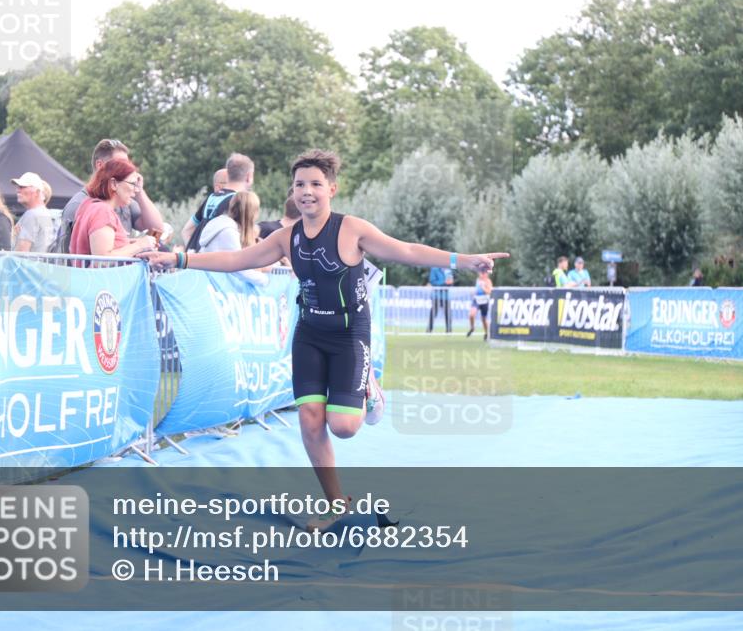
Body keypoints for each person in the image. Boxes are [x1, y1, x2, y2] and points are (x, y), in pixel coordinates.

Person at [139, 149, 507, 531]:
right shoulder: (286, 237)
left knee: (344, 427)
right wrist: (179, 260)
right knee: (311, 422)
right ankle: (337, 503)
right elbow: (238, 260)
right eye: (300, 184)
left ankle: (368, 388)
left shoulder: (352, 229)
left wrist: (463, 261)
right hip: (310, 336)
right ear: (293, 191)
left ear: (332, 188)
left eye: (315, 184)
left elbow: (408, 251)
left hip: (351, 335)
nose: (307, 191)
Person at [58, 139, 164, 252]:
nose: (127, 168)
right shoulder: (80, 205)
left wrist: (138, 190)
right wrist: (137, 246)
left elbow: (157, 229)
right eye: (121, 164)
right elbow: (73, 254)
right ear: (100, 165)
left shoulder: (122, 202)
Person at [69, 158, 156, 258]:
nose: (136, 190)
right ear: (114, 184)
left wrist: (129, 243)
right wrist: (140, 245)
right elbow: (103, 259)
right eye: (133, 184)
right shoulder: (103, 211)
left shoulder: (89, 204)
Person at [181, 153, 254, 249]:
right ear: (248, 177)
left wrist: (195, 254)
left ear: (228, 174)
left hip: (197, 260)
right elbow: (246, 243)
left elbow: (187, 230)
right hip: (220, 262)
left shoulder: (211, 197)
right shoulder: (241, 201)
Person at [196, 191, 268, 286]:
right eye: (257, 210)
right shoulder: (228, 232)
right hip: (210, 287)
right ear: (251, 213)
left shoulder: (225, 227)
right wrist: (265, 280)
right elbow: (238, 268)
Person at [12, 172, 57, 252]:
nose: (18, 190)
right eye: (18, 187)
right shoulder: (45, 213)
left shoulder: (31, 215)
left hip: (28, 263)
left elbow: (21, 252)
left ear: (37, 192)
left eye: (22, 187)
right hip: (40, 263)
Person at [467, 269, 493, 340]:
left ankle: (486, 333)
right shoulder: (478, 280)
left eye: (483, 273)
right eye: (480, 273)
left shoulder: (488, 281)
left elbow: (489, 292)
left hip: (484, 301)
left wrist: (483, 287)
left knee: (483, 319)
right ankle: (472, 328)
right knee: (471, 314)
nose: (481, 275)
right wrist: (474, 293)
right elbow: (477, 290)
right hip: (477, 300)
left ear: (486, 274)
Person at [427, 264, 454, 333]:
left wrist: (450, 283)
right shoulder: (434, 269)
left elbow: (450, 281)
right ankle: (429, 329)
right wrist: (444, 283)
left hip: (446, 296)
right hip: (436, 295)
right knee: (433, 313)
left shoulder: (449, 270)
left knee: (448, 313)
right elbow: (432, 281)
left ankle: (449, 330)